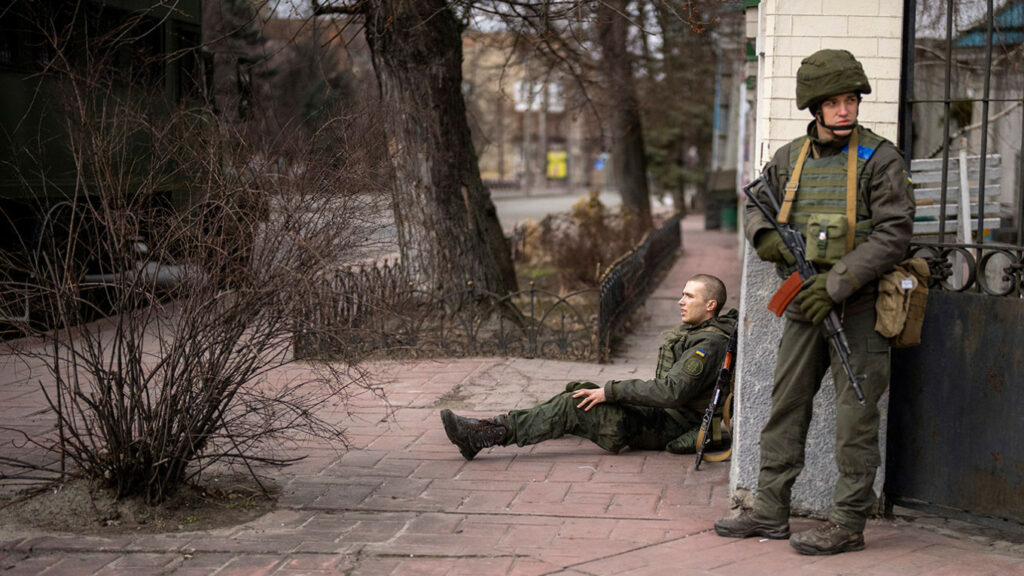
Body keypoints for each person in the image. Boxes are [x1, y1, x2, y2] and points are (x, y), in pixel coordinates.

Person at [713, 49, 915, 555]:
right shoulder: (789, 159)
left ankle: (847, 523)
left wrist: (838, 282)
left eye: (851, 100)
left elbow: (893, 236)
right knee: (786, 408)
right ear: (815, 108)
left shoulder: (881, 159)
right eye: (834, 102)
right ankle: (769, 510)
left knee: (856, 420)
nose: (845, 110)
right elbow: (755, 205)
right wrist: (770, 243)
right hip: (804, 304)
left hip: (861, 307)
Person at [440, 274, 737, 460]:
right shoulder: (703, 333)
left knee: (575, 405)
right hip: (660, 416)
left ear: (710, 305)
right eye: (682, 294)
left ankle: (482, 435)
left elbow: (671, 392)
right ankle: (498, 426)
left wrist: (612, 391)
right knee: (578, 391)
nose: (680, 301)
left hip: (663, 426)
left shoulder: (707, 345)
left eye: (689, 296)